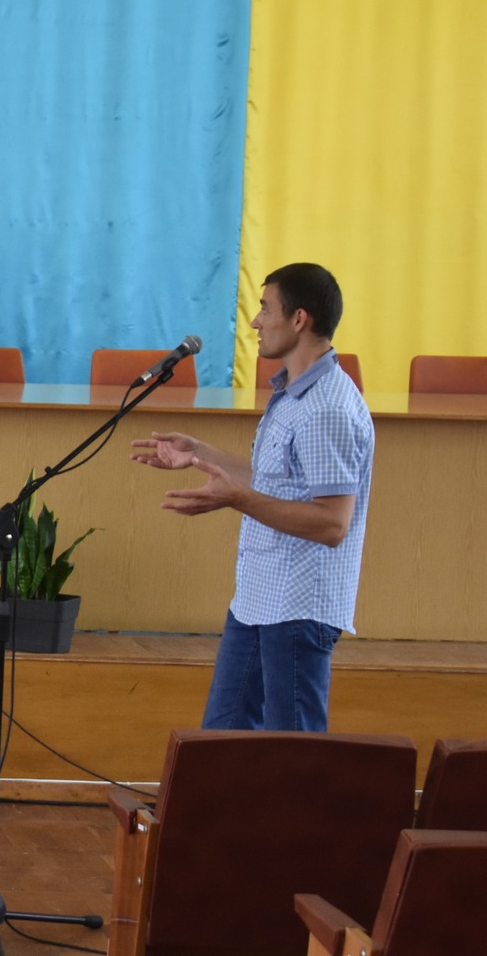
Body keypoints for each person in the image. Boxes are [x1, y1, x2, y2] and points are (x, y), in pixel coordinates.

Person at [130, 262, 373, 731]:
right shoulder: (294, 393)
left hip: (298, 607)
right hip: (259, 598)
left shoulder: (327, 409)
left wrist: (236, 498)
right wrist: (200, 453)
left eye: (265, 309)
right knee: (223, 743)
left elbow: (332, 523)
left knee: (290, 755)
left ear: (299, 319)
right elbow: (277, 479)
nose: (256, 322)